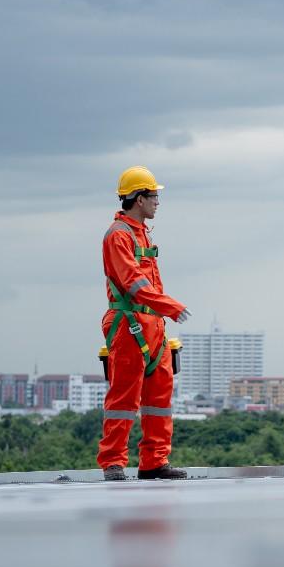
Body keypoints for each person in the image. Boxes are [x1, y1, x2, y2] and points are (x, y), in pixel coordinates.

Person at [99, 166, 193, 480]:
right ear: (139, 198)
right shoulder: (118, 235)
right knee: (124, 397)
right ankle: (113, 463)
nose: (157, 202)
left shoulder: (140, 233)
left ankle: (154, 462)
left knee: (159, 397)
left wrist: (161, 313)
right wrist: (169, 306)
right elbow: (132, 282)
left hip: (152, 324)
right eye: (153, 195)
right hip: (129, 324)